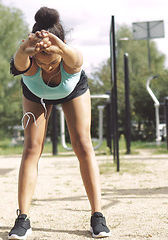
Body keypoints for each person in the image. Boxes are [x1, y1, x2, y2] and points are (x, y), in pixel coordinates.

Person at [8, 6, 111, 240]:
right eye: (42, 63)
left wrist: (60, 46)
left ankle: (98, 216)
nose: (47, 66)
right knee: (32, 148)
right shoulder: (28, 61)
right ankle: (22, 219)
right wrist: (25, 48)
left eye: (52, 61)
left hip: (72, 91)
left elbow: (76, 57)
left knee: (83, 145)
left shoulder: (71, 60)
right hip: (35, 95)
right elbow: (19, 59)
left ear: (61, 51)